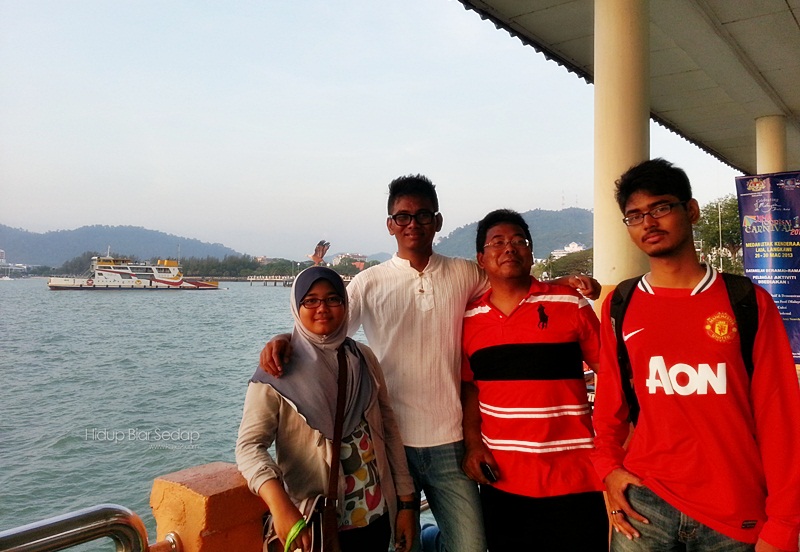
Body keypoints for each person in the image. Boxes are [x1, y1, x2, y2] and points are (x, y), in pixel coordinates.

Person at [260, 174, 600, 552]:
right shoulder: (369, 283)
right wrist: (285, 339)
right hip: (392, 444)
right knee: (399, 544)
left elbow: (509, 280)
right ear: (390, 225)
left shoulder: (464, 272)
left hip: (451, 441)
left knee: (471, 545)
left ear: (437, 221)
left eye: (423, 215)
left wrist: (561, 283)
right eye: (403, 217)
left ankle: (431, 538)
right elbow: (324, 327)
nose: (413, 224)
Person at [592, 158, 800, 552]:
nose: (648, 223)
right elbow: (608, 408)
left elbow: (781, 419)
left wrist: (785, 525)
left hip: (734, 512)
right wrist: (608, 470)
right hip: (645, 504)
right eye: (635, 215)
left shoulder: (747, 302)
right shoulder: (621, 303)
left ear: (691, 210)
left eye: (660, 207)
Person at [236, 266, 416, 552]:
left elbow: (388, 430)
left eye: (333, 299)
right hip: (318, 525)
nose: (322, 308)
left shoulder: (362, 358)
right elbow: (249, 447)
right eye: (310, 300)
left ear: (345, 305)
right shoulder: (277, 370)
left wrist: (405, 503)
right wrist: (280, 506)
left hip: (377, 515)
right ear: (297, 307)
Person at [460, 209, 608, 551]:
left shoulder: (569, 303)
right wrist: (473, 445)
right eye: (497, 242)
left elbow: (610, 373)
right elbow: (470, 388)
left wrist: (614, 446)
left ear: (530, 252)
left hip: (575, 478)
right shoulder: (469, 319)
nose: (509, 248)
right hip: (503, 482)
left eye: (518, 241)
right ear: (481, 259)